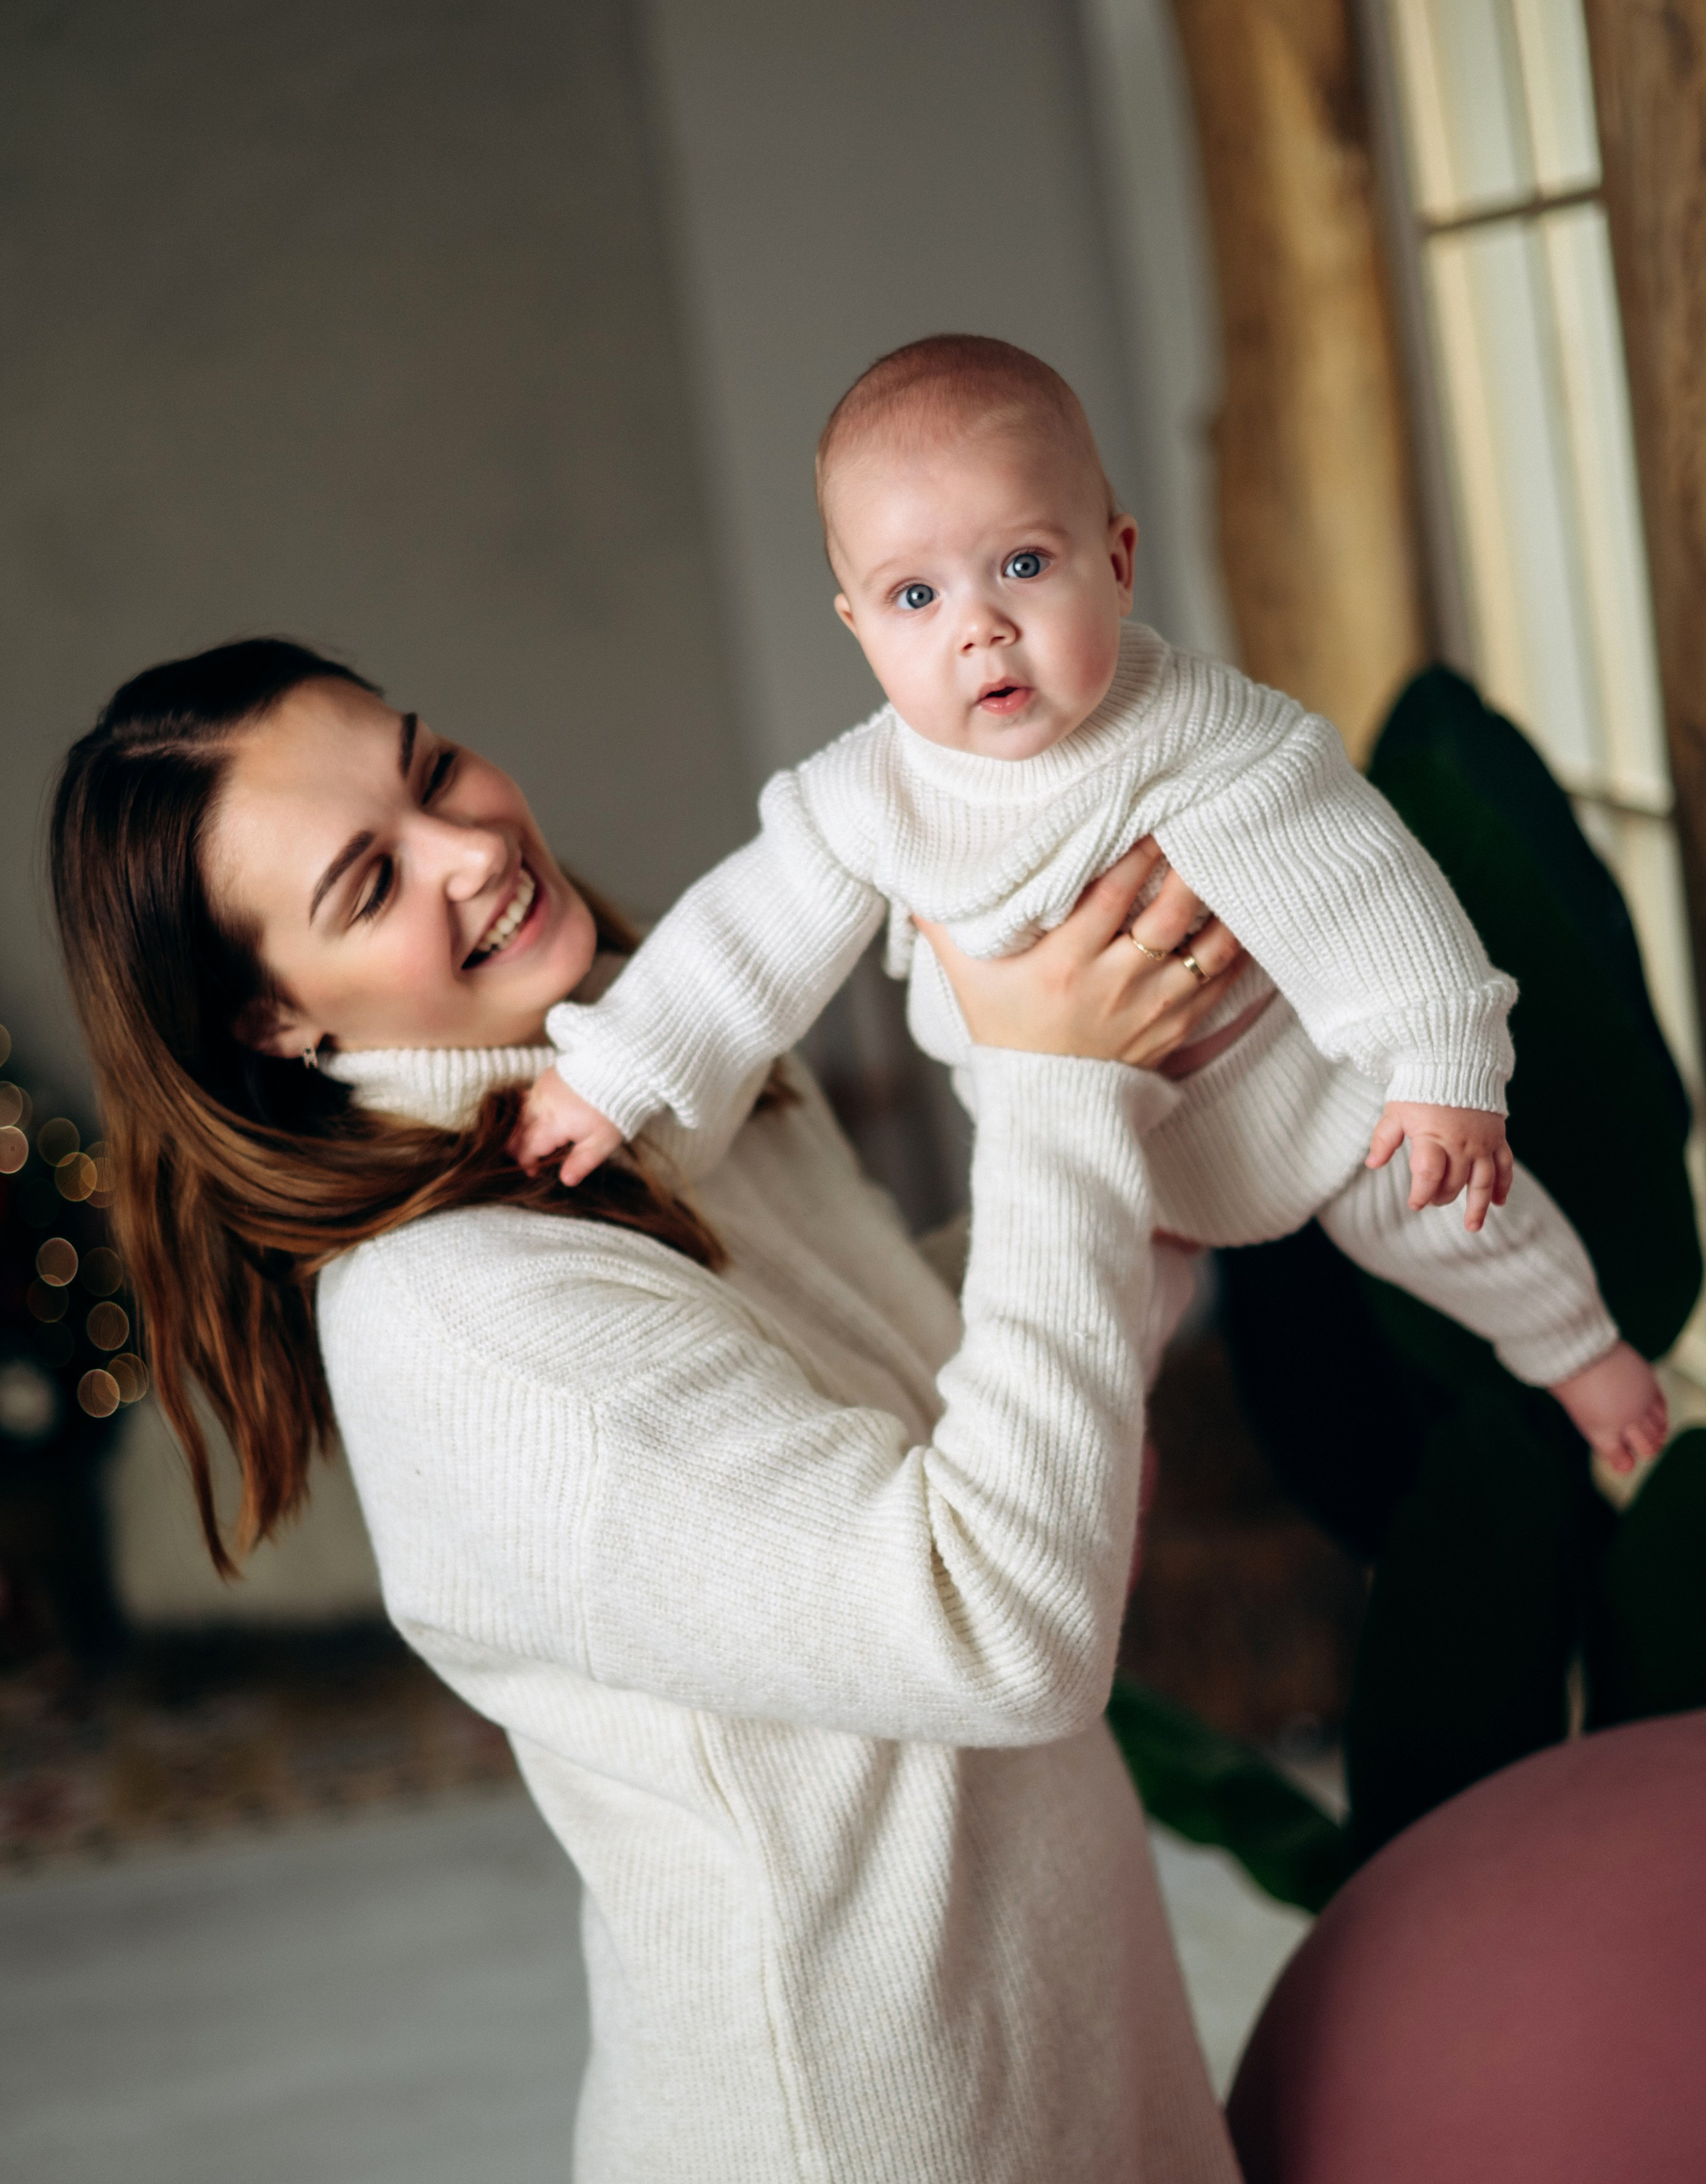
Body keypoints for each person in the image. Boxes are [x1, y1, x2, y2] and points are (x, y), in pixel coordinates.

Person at [49, 639, 1335, 2184]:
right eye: (367, 881)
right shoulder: (464, 1321)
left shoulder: (655, 1061)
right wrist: (1058, 1096)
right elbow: (992, 1626)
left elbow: (944, 1392)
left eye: (432, 765)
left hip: (1069, 2063)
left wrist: (1172, 1101)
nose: (468, 846)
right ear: (273, 1021)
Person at [520, 333, 1665, 1476]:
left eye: (1022, 564)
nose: (980, 627)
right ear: (859, 630)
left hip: (1297, 1100)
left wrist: (1441, 1059)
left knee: (1454, 1210)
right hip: (1092, 1151)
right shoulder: (868, 796)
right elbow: (741, 941)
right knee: (1067, 1338)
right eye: (915, 595)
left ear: (1117, 564)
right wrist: (617, 1066)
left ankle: (1582, 1351)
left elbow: (1359, 880)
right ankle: (1097, 1489)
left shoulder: (1200, 729)